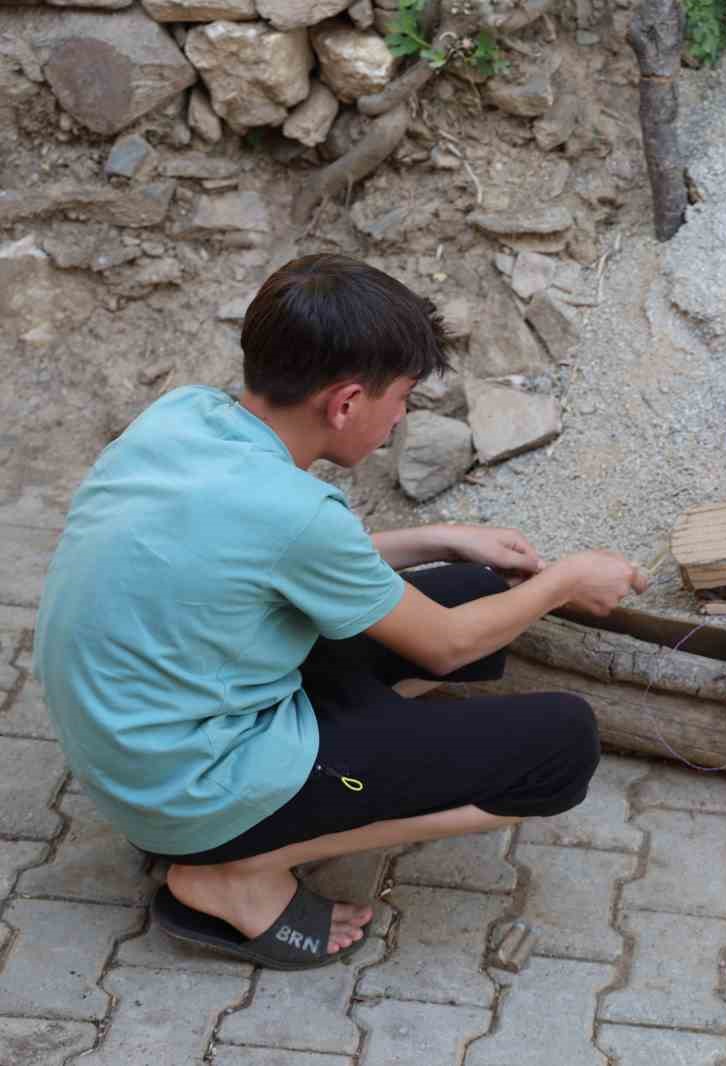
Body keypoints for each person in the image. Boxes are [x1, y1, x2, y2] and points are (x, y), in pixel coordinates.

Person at [35, 253, 649, 970]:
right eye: (404, 399)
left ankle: (324, 772)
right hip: (185, 787)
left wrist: (439, 538)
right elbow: (444, 647)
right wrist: (567, 580)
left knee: (475, 588)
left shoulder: (184, 417)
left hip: (135, 746)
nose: (401, 420)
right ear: (347, 402)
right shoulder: (296, 513)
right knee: (562, 745)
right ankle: (227, 870)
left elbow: (271, 556)